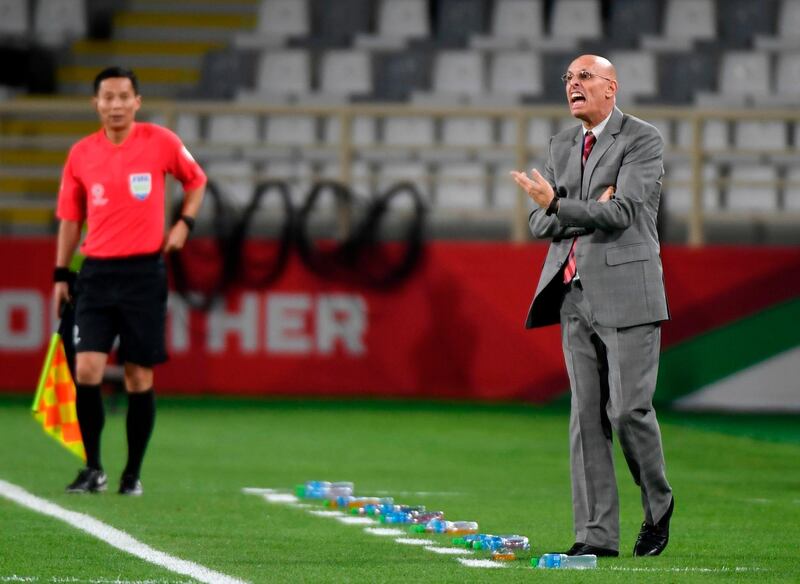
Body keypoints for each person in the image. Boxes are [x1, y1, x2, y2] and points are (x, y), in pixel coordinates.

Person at [511, 54, 674, 557]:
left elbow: (622, 212)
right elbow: (540, 224)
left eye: (584, 77)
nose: (572, 85)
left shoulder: (642, 139)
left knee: (627, 411)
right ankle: (596, 537)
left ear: (611, 87)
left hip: (628, 294)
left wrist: (562, 206)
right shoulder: (562, 144)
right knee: (585, 418)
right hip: (573, 295)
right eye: (567, 78)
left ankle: (659, 504)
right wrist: (581, 209)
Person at [53, 66, 207, 496]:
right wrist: (61, 273)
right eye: (108, 97)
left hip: (143, 272)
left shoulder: (161, 141)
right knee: (86, 369)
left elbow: (197, 181)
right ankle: (93, 467)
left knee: (139, 376)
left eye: (124, 97)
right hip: (96, 272)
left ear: (137, 102)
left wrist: (184, 224)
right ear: (95, 103)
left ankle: (132, 474)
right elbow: (70, 218)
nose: (116, 104)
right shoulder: (81, 154)